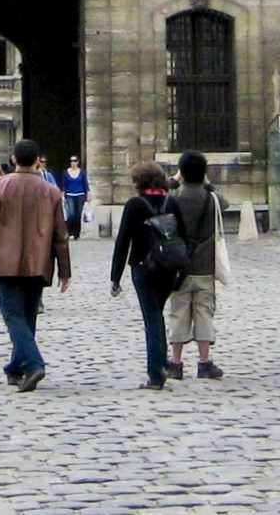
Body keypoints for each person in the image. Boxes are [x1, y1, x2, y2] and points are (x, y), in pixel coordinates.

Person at [0, 138, 71, 390]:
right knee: (27, 318)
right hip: (39, 261)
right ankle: (15, 368)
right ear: (38, 160)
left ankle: (35, 363)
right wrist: (64, 269)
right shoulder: (51, 191)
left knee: (13, 316)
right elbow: (61, 234)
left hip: (5, 261)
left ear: (14, 159)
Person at [108, 158, 178, 388]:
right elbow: (184, 238)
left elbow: (123, 241)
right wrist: (182, 271)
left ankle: (155, 374)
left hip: (143, 267)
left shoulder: (135, 205)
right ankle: (163, 362)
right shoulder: (171, 202)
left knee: (152, 318)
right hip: (169, 267)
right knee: (157, 313)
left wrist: (115, 277)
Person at [162, 150, 227, 380]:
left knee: (178, 313)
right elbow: (225, 203)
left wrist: (174, 180)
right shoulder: (210, 198)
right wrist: (208, 185)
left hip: (179, 267)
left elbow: (161, 196)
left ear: (182, 172)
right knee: (204, 313)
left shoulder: (175, 196)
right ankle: (204, 362)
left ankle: (177, 363)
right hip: (204, 267)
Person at [62, 156, 91, 240]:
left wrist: (88, 193)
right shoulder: (66, 173)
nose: (73, 162)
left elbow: (85, 184)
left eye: (75, 160)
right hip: (70, 195)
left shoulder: (82, 172)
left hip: (80, 195)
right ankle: (70, 232)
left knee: (78, 215)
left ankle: (76, 233)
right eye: (71, 161)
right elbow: (64, 185)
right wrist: (63, 195)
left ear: (78, 162)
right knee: (71, 214)